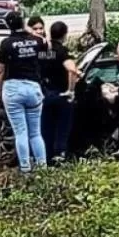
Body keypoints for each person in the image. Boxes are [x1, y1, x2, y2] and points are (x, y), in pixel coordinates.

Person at [0, 11, 48, 173]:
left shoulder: (6, 44)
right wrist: (30, 32)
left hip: (13, 90)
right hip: (33, 89)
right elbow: (47, 49)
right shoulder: (37, 41)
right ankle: (43, 168)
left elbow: (0, 71)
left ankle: (25, 169)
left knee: (21, 133)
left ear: (7, 25)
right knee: (35, 133)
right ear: (24, 23)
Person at [39, 21, 80, 163]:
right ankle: (60, 158)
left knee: (46, 129)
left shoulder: (43, 51)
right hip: (61, 96)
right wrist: (71, 90)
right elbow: (72, 70)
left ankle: (46, 159)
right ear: (64, 35)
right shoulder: (62, 51)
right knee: (62, 130)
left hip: (45, 94)